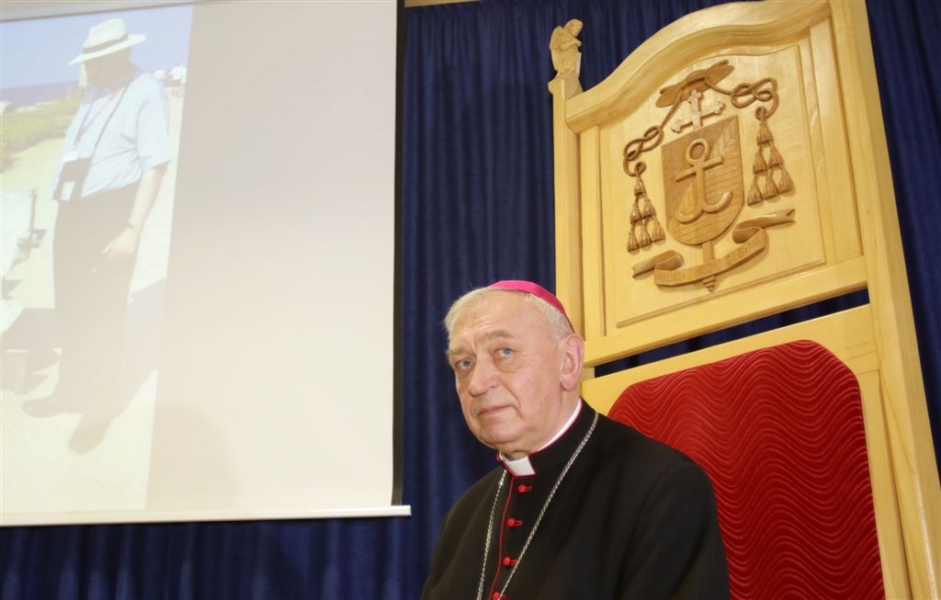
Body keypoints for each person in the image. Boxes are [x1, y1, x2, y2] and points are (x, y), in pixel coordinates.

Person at [422, 280, 729, 600]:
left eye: (505, 352)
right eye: (464, 363)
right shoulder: (462, 516)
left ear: (568, 361)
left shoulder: (662, 489)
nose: (477, 384)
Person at [22, 18, 171, 453]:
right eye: (88, 61)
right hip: (74, 212)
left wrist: (132, 230)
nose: (90, 68)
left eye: (97, 60)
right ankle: (70, 391)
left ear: (121, 54)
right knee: (71, 306)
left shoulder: (146, 91)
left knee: (104, 314)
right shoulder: (93, 91)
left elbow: (155, 165)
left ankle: (98, 411)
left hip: (110, 214)